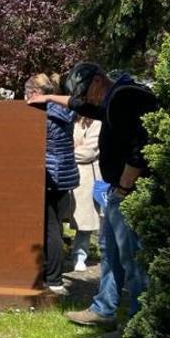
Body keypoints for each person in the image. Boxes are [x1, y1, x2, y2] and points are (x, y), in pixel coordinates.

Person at [27, 62, 158, 338]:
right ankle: (104, 309)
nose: (86, 99)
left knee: (133, 261)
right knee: (110, 254)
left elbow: (139, 148)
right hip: (117, 191)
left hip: (128, 192)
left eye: (87, 92)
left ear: (99, 80)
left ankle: (138, 326)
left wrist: (123, 187)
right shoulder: (109, 97)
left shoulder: (124, 98)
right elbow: (81, 105)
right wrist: (49, 97)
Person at [25, 74, 78, 295]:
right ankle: (54, 274)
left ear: (36, 94)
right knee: (56, 224)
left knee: (50, 228)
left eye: (27, 94)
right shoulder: (65, 110)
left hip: (48, 175)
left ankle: (54, 279)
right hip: (65, 175)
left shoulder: (42, 115)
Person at [70, 116, 102, 272]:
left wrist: (66, 150)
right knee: (57, 219)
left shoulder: (96, 122)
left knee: (84, 222)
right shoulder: (69, 119)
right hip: (65, 172)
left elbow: (88, 152)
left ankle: (80, 256)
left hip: (86, 176)